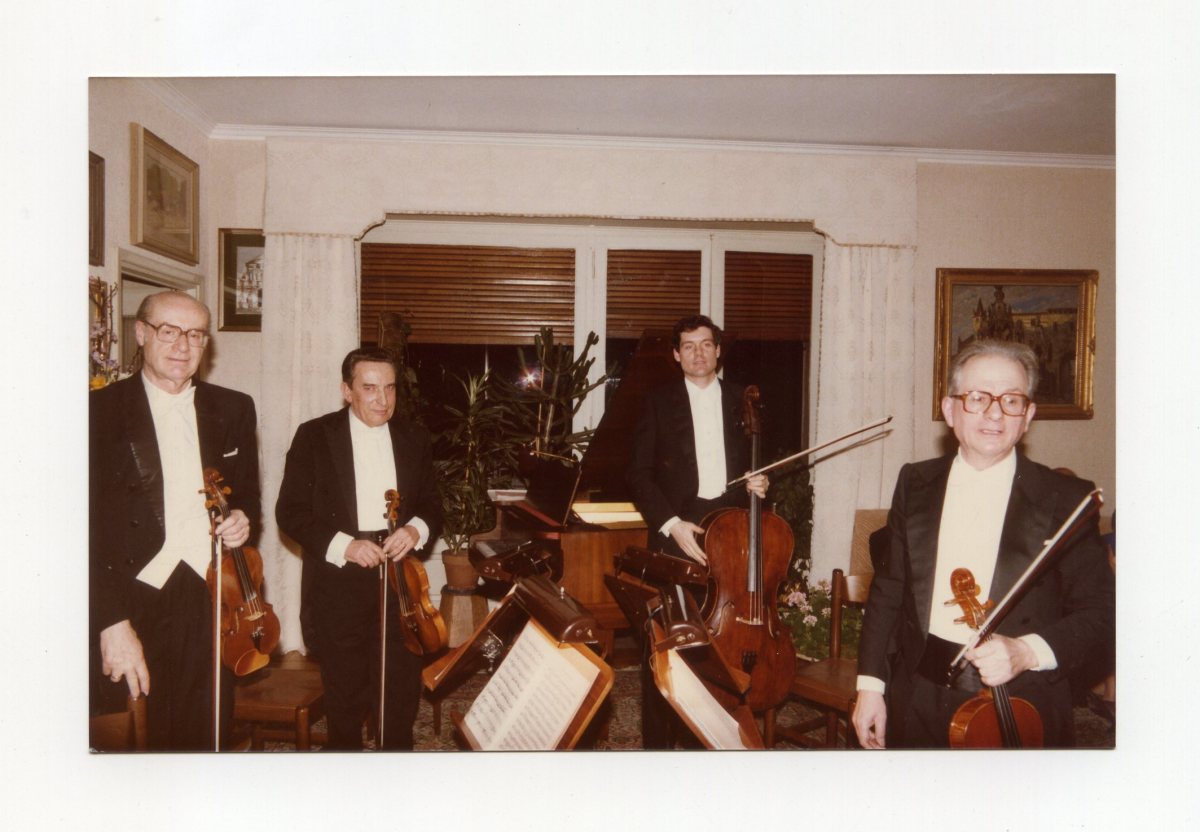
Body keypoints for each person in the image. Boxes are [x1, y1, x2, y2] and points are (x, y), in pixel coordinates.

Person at [851, 339, 1114, 748]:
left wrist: (1028, 651)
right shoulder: (914, 482)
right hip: (917, 694)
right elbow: (889, 590)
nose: (995, 413)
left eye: (1011, 400)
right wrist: (871, 685)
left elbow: (1104, 612)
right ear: (950, 409)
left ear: (1028, 416)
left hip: (1022, 706)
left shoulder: (1067, 498)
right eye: (977, 397)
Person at [90, 291, 259, 750]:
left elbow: (248, 496)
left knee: (205, 733)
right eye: (169, 331)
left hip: (208, 594)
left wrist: (243, 518)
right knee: (132, 741)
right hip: (130, 597)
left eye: (195, 335)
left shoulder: (235, 408)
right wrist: (110, 621)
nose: (183, 346)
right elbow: (78, 532)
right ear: (141, 334)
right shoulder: (96, 412)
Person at [276, 347, 441, 750]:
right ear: (346, 391)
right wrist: (346, 546)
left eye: (390, 388)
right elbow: (290, 512)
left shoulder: (414, 437)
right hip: (339, 580)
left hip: (401, 580)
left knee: (400, 688)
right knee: (345, 694)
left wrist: (415, 529)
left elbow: (432, 505)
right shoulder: (314, 436)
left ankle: (395, 762)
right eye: (370, 388)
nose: (382, 399)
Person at [626, 314, 768, 747]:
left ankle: (716, 740)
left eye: (706, 344)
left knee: (720, 646)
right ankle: (658, 750)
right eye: (688, 346)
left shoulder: (743, 399)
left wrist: (762, 483)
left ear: (718, 351)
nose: (698, 353)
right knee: (665, 645)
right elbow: (637, 474)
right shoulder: (656, 401)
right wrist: (671, 525)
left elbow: (758, 467)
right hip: (677, 530)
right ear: (676, 355)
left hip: (729, 530)